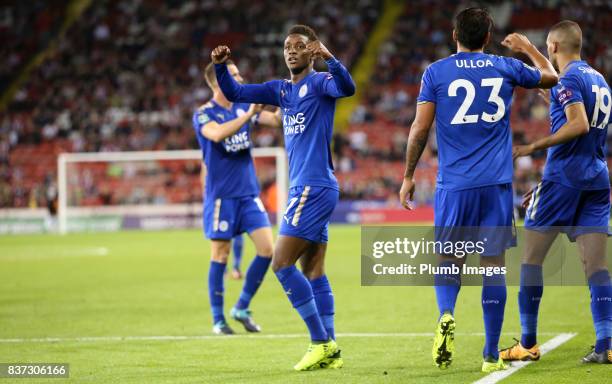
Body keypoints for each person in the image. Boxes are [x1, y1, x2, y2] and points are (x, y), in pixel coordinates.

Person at [398, 7, 558, 372]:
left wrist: (408, 176)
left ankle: (446, 314)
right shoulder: (505, 66)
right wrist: (528, 49)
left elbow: (419, 130)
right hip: (495, 184)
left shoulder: (435, 73)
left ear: (454, 35)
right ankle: (489, 354)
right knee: (493, 269)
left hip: (454, 185)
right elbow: (550, 76)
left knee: (449, 261)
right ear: (487, 38)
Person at [211, 24, 355, 370]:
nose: (291, 51)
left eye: (298, 46)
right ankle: (330, 346)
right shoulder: (281, 91)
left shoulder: (320, 82)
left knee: (280, 263)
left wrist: (330, 58)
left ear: (310, 51)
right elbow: (235, 92)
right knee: (314, 269)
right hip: (313, 187)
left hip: (312, 186)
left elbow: (348, 87)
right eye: (286, 46)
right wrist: (220, 65)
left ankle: (319, 341)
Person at [502, 20, 611, 364]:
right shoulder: (599, 79)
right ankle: (606, 344)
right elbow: (586, 120)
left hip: (564, 178)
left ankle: (529, 343)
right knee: (595, 267)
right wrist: (554, 96)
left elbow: (578, 123)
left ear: (553, 46)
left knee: (531, 260)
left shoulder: (569, 80)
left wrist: (533, 146)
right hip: (596, 180)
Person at [193, 60, 280, 335]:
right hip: (221, 197)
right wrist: (248, 115)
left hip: (248, 194)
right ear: (216, 82)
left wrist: (285, 97)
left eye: (239, 74)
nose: (240, 78)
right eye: (233, 75)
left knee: (268, 250)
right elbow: (217, 135)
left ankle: (241, 306)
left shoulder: (245, 105)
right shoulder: (204, 114)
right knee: (220, 254)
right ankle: (218, 320)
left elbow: (275, 120)